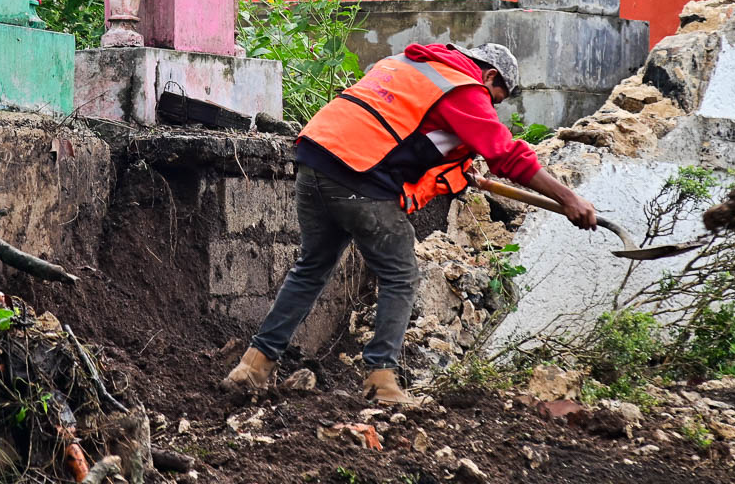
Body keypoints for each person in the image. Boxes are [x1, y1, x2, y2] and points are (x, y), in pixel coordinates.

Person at [222, 42, 598, 404]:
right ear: (490, 76)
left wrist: (457, 170)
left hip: (314, 160)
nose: (491, 108)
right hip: (357, 175)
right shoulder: (463, 87)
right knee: (401, 274)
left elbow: (405, 135)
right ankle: (381, 382)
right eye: (495, 100)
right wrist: (569, 198)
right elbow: (507, 155)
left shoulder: (409, 65)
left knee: (311, 268)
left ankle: (252, 367)